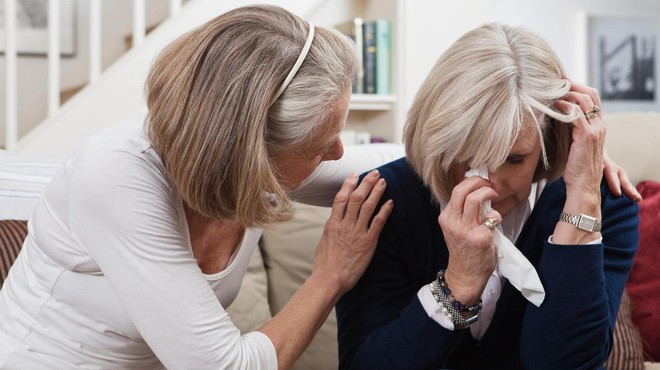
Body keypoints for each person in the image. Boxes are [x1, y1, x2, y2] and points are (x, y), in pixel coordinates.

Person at [0, 5, 396, 369]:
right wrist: (330, 275)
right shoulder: (115, 174)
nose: (339, 153)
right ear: (250, 153)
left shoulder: (250, 168)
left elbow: (394, 167)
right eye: (321, 146)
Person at [336, 23, 640, 370]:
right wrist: (456, 287)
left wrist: (579, 212)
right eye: (469, 156)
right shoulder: (382, 203)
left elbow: (567, 364)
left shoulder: (606, 203)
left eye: (515, 159)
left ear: (550, 139)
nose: (492, 185)